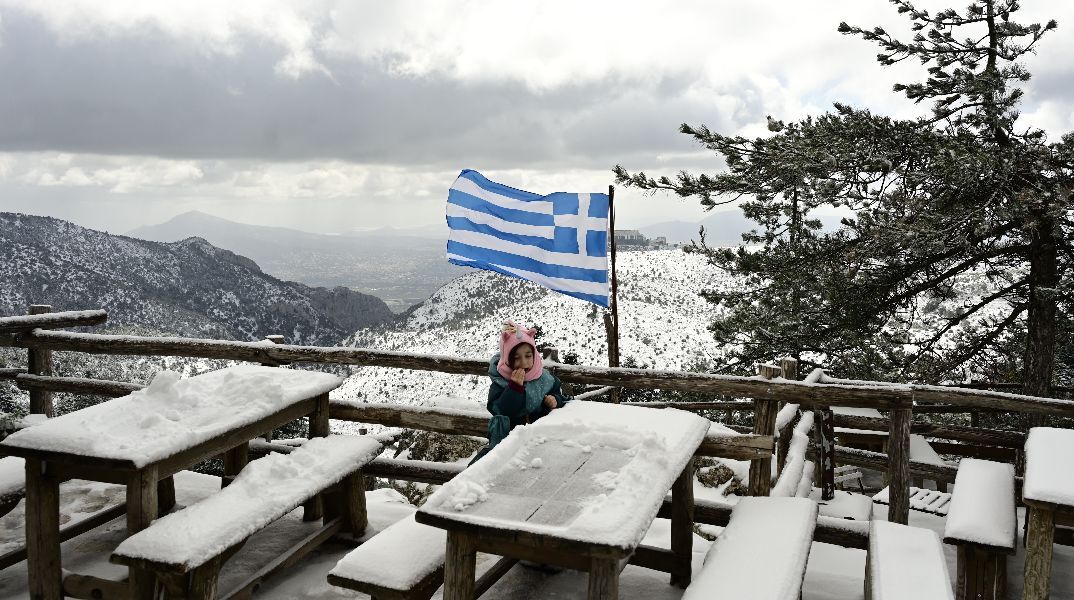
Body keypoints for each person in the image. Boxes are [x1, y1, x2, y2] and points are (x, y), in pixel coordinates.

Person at [469, 322, 570, 464]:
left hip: (541, 442)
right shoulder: (500, 383)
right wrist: (514, 388)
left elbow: (562, 396)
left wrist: (555, 399)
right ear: (507, 360)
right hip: (510, 446)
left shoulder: (545, 378)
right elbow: (498, 409)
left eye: (528, 356)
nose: (524, 362)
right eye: (516, 358)